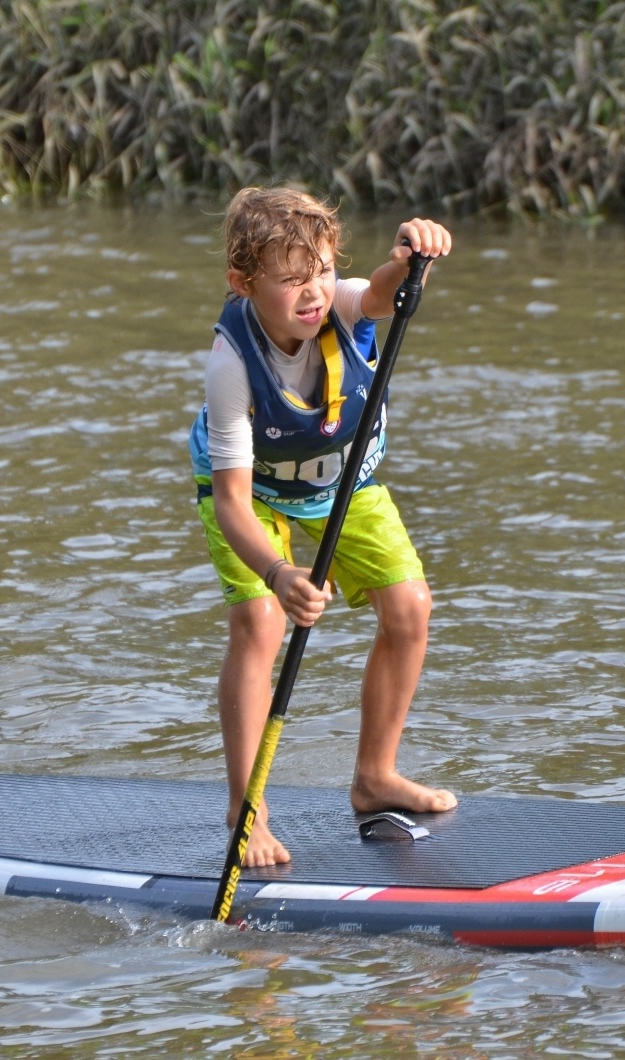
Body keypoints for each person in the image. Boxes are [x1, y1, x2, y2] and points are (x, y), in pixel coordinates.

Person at [188, 186, 456, 867]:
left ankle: (374, 778)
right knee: (262, 625)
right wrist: (278, 574)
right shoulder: (230, 367)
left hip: (343, 482)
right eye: (290, 281)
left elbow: (385, 292)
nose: (313, 294)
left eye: (323, 272)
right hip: (259, 498)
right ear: (243, 285)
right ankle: (247, 813)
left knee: (410, 608)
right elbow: (231, 504)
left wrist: (411, 253)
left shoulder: (339, 301)